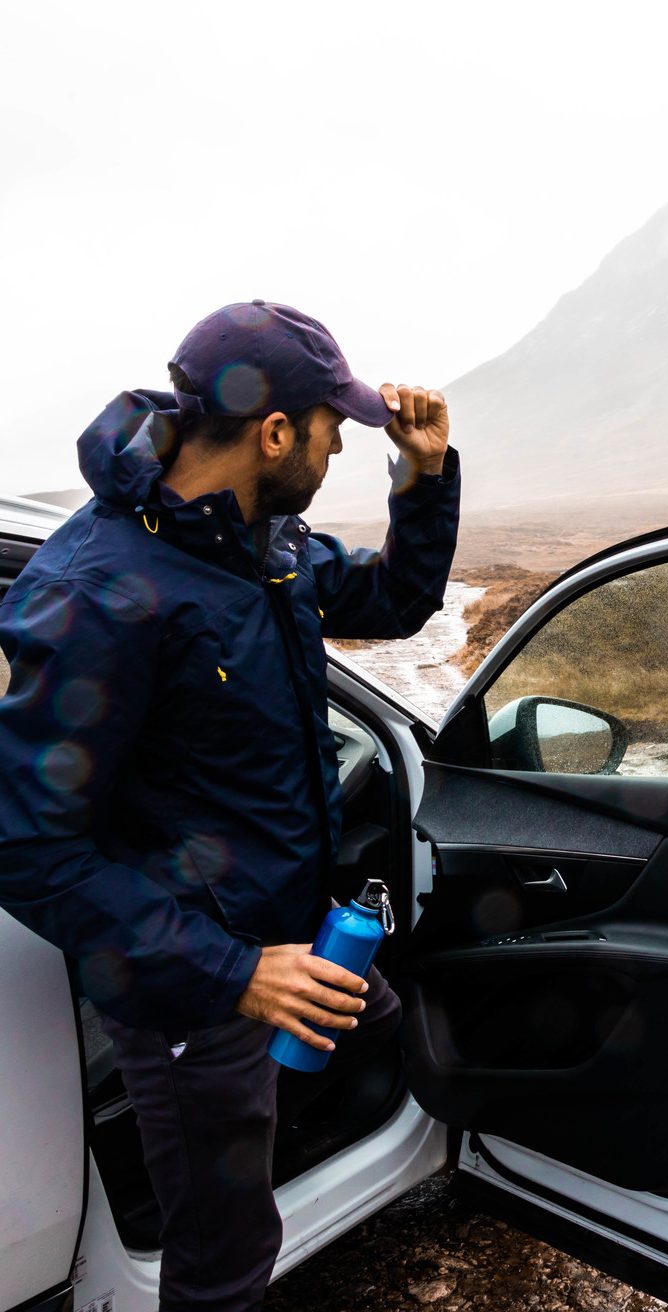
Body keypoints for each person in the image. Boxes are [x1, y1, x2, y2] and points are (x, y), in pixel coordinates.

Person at [0, 300, 460, 1310]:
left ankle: (292, 1136)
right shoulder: (94, 592)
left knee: (387, 1026)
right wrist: (236, 974)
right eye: (335, 430)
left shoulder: (265, 544)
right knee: (223, 1264)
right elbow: (29, 849)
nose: (341, 447)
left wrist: (422, 476)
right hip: (188, 991)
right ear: (276, 432)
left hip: (282, 936)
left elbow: (391, 602)